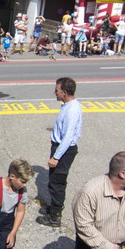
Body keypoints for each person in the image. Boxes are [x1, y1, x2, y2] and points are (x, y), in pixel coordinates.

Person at [37, 77, 83, 227]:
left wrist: (56, 157)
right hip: (59, 147)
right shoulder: (68, 105)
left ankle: (55, 217)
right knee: (53, 180)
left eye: (56, 90)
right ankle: (53, 207)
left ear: (64, 92)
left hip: (63, 150)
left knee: (57, 182)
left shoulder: (72, 110)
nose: (54, 92)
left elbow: (68, 136)